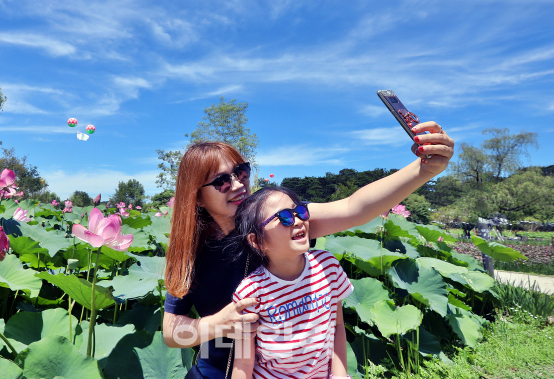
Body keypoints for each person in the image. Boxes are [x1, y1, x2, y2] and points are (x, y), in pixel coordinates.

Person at [163, 122, 453, 379]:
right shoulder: (191, 252)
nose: (238, 185)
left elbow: (353, 208)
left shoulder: (279, 222)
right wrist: (218, 323)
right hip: (215, 371)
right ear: (197, 197)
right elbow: (171, 332)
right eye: (222, 181)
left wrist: (423, 169)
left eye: (241, 171)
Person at [230, 187, 353, 379]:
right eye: (284, 217)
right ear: (257, 241)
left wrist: (339, 376)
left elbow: (337, 327)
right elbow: (244, 360)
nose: (297, 221)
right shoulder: (250, 292)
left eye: (300, 211)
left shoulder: (328, 266)